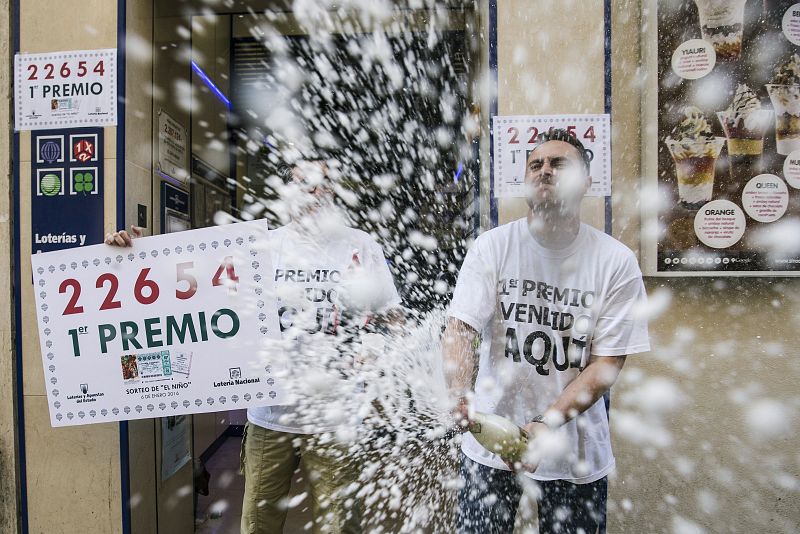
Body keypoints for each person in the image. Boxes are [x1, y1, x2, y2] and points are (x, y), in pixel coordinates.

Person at [106, 157, 402, 534]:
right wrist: (136, 256)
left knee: (343, 526)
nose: (314, 192)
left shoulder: (361, 246)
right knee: (258, 525)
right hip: (269, 416)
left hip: (337, 419)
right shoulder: (260, 245)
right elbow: (188, 288)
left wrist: (378, 349)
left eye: (322, 184)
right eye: (303, 184)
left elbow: (393, 318)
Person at [442, 129, 650, 533]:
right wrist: (457, 393)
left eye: (559, 164)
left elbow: (607, 361)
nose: (545, 171)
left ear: (586, 183)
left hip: (574, 448)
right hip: (491, 435)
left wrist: (546, 422)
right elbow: (461, 328)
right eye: (536, 164)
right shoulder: (492, 246)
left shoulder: (615, 261)